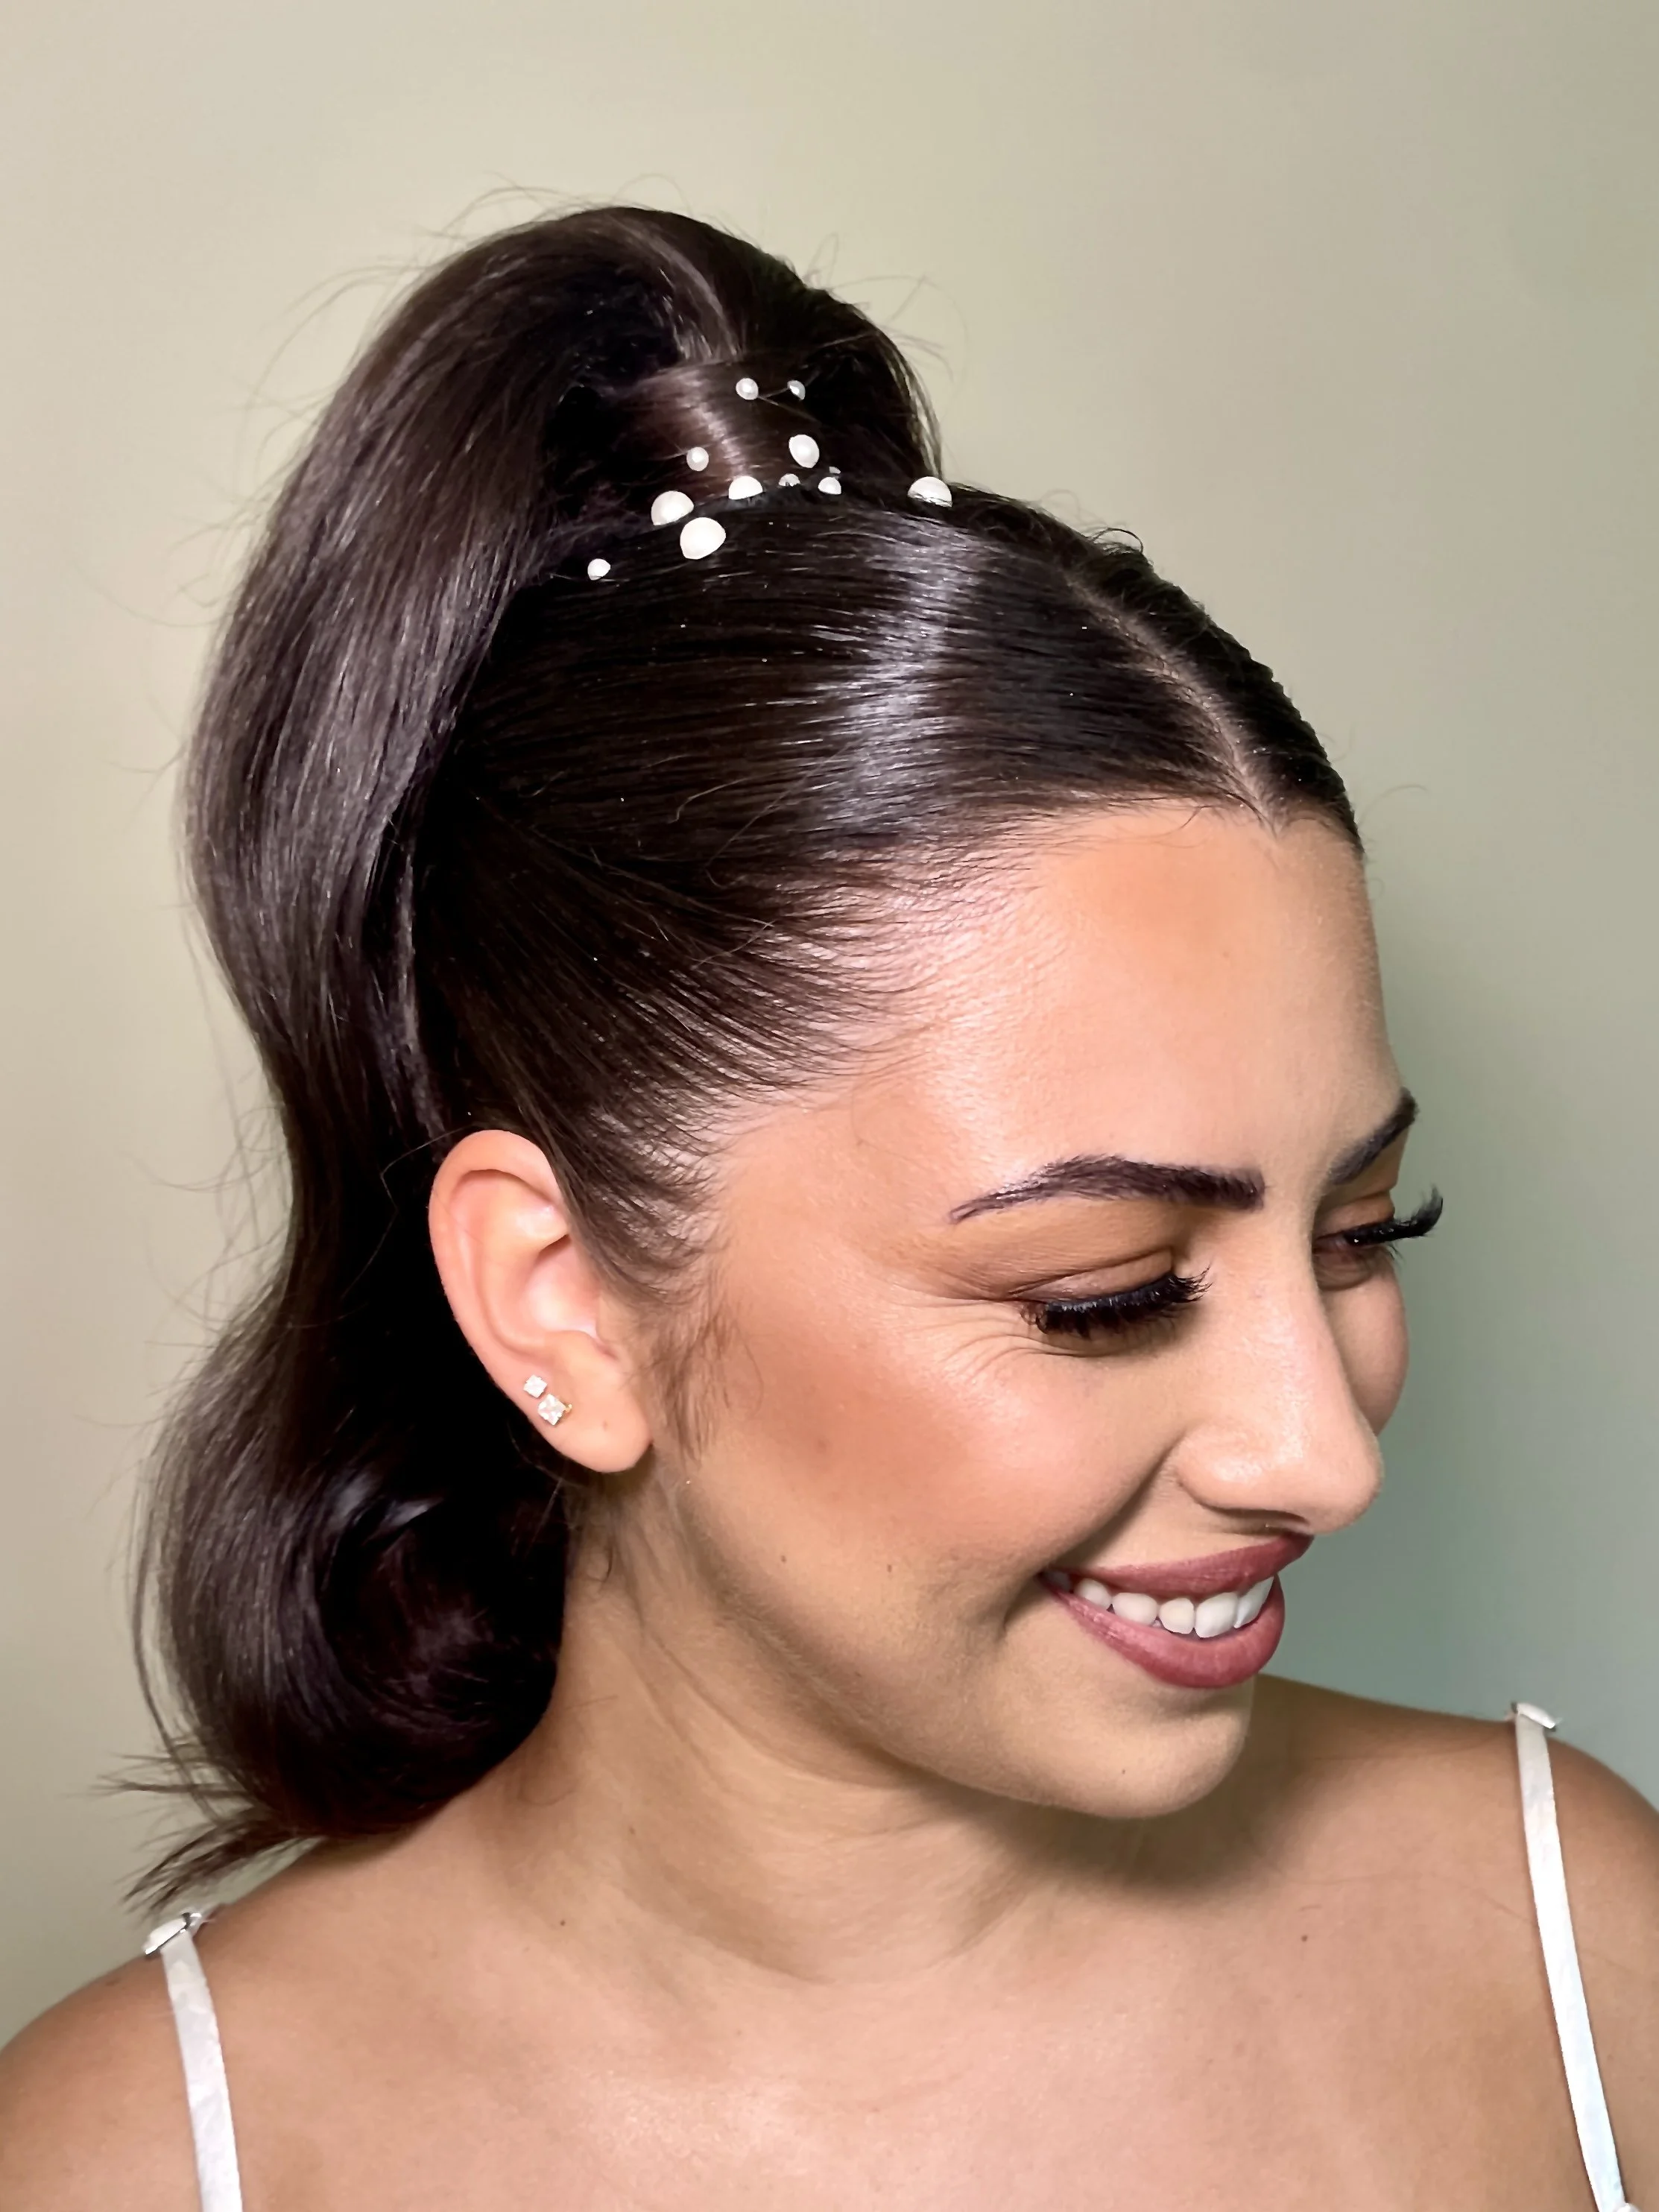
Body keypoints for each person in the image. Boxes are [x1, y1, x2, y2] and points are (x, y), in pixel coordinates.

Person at [1, 205, 1655, 2211]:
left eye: (1357, 1233)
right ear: (563, 1307)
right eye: (1109, 1290)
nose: (1325, 1452)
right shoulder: (145, 2164)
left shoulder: (1570, 1944)